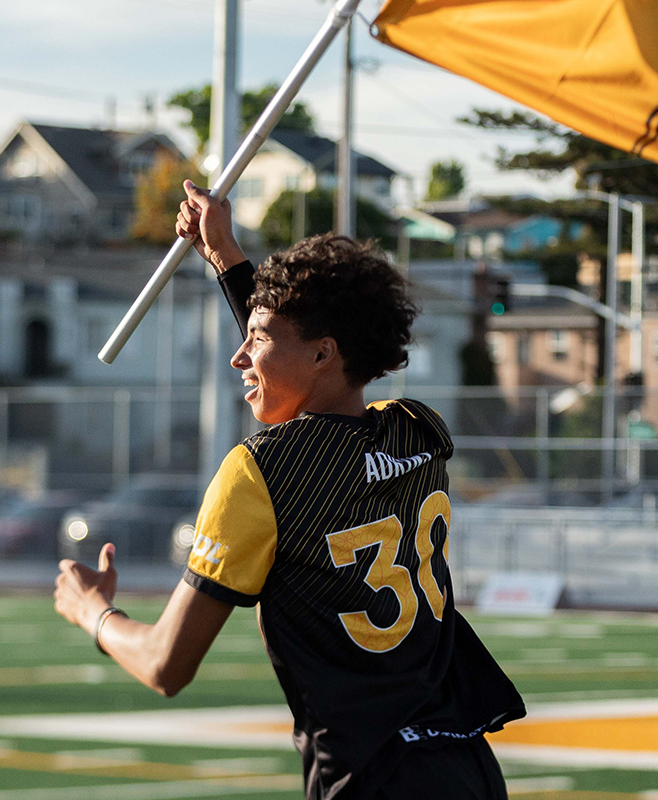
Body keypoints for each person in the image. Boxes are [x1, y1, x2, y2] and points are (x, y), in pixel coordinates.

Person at [54, 181, 523, 799]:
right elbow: (309, 355)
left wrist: (95, 613)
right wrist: (226, 257)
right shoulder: (419, 431)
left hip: (370, 779)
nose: (238, 357)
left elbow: (166, 665)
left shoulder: (260, 471)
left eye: (257, 339)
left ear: (327, 353)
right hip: (470, 770)